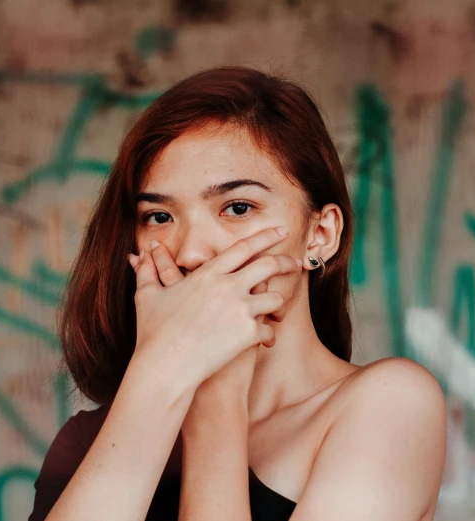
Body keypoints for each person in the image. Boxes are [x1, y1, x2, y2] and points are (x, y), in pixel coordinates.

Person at [27, 65, 446, 521]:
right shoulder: (87, 441)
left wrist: (218, 400)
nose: (189, 252)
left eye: (237, 207)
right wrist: (158, 377)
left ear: (320, 235)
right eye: (159, 217)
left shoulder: (389, 405)